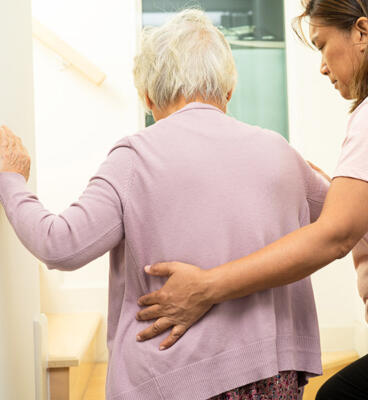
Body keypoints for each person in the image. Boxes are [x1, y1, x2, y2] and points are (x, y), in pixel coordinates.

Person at [0, 9, 330, 400]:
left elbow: (60, 245)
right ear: (228, 89)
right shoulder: (279, 150)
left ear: (148, 96)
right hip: (275, 373)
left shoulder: (135, 156)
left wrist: (12, 177)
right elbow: (341, 217)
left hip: (175, 378)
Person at [135, 1, 368, 399]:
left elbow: (334, 236)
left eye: (322, 44)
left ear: (362, 32)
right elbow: (360, 211)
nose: (323, 66)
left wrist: (206, 287)